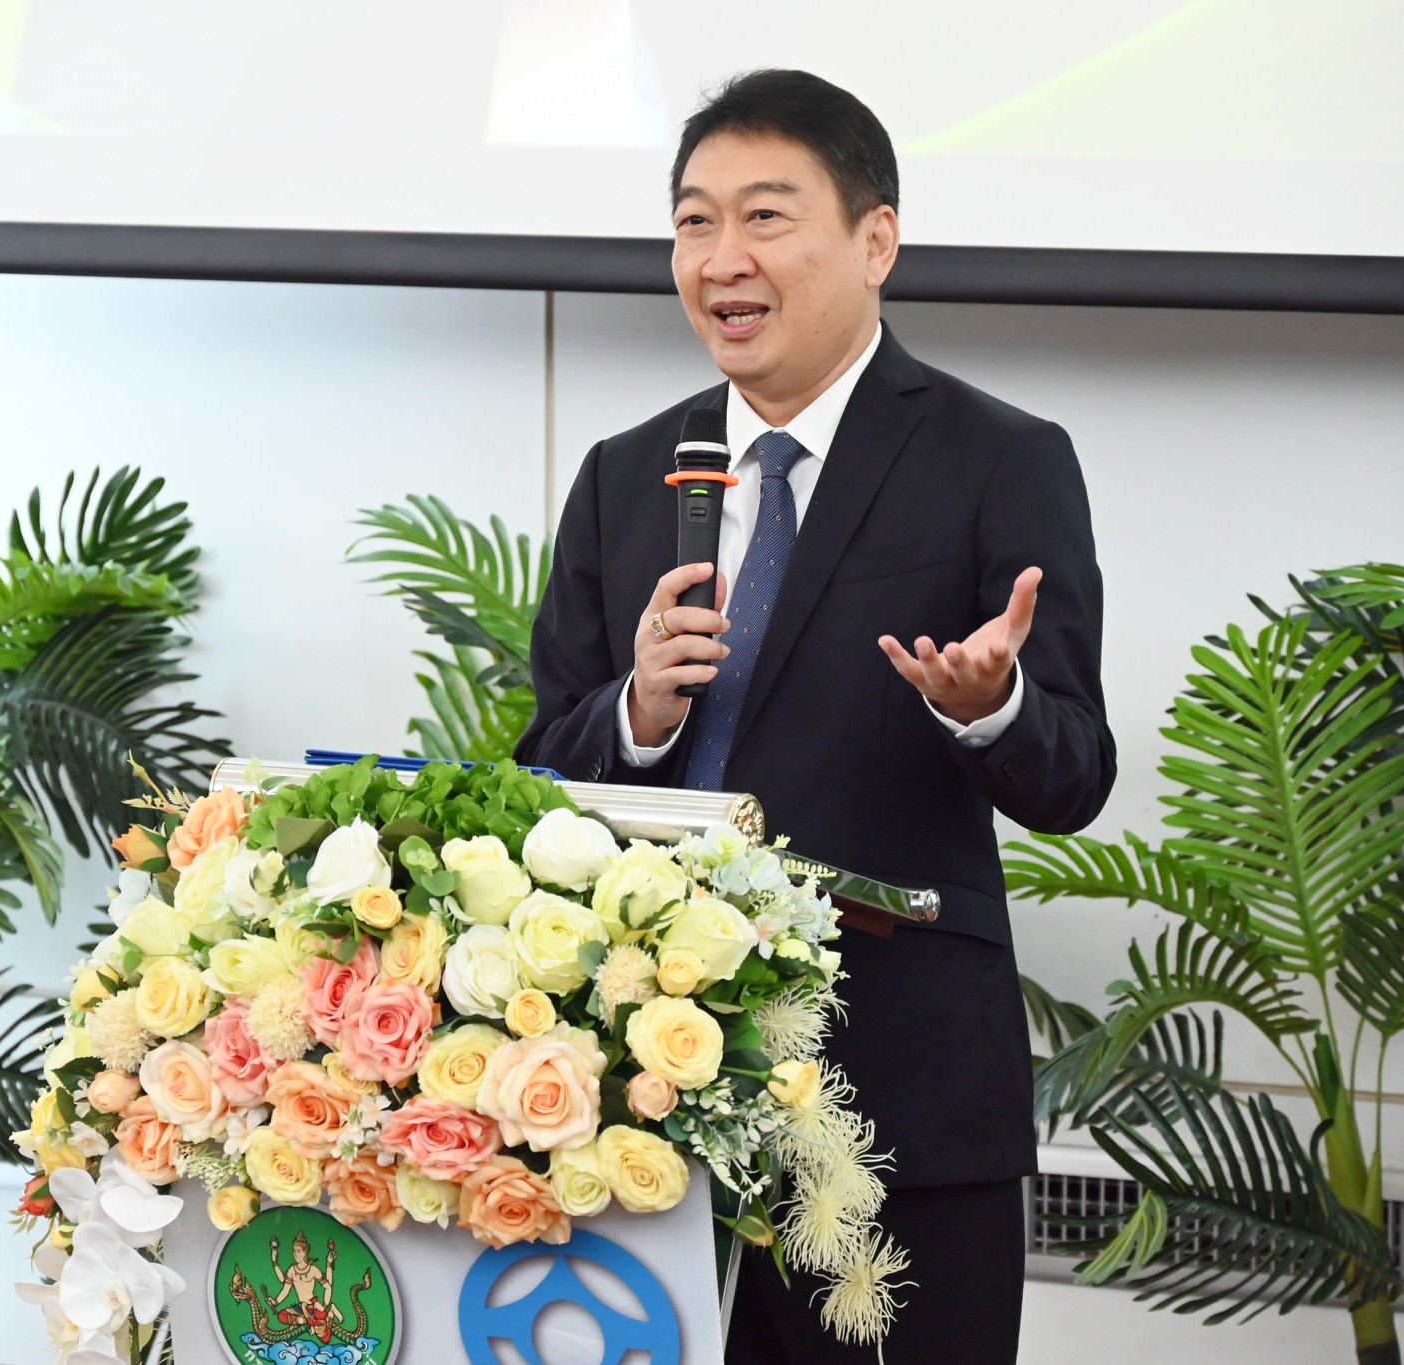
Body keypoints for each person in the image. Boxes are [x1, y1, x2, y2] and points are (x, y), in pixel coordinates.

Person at [514, 69, 1115, 1365]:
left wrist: (992, 701)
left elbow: (1075, 769)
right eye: (693, 222)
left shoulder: (997, 458)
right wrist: (636, 711)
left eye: (765, 217)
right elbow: (542, 763)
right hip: (642, 1100)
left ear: (875, 240)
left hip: (899, 1110)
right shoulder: (628, 474)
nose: (721, 260)